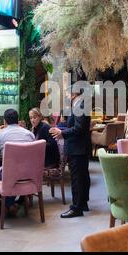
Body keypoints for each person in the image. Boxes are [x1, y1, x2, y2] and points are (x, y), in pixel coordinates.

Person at [50, 87, 91, 218]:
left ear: (74, 94)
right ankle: (83, 203)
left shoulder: (80, 105)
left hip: (77, 148)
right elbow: (76, 126)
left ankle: (76, 208)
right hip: (80, 147)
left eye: (67, 93)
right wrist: (61, 128)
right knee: (83, 177)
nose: (66, 96)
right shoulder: (80, 104)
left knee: (77, 179)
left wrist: (62, 133)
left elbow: (79, 128)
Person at [0, 109, 35, 214]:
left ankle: (7, 204)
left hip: (10, 174)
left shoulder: (0, 135)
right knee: (2, 171)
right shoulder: (29, 134)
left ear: (5, 121)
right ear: (17, 120)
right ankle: (13, 202)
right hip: (29, 174)